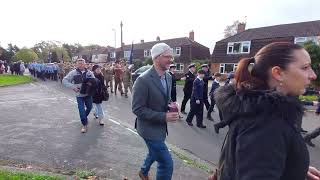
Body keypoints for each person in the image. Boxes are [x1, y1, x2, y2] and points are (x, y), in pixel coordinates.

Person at [209, 42, 320, 180]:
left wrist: (294, 167)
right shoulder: (266, 123)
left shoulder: (258, 110)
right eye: (305, 67)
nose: (313, 75)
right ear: (278, 73)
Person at [132, 43, 178, 180]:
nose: (171, 60)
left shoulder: (168, 76)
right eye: (167, 56)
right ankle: (144, 172)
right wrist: (164, 116)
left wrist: (172, 104)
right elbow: (137, 109)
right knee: (166, 163)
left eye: (171, 56)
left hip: (161, 128)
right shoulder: (143, 80)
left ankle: (143, 171)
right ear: (157, 57)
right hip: (148, 130)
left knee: (154, 153)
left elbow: (166, 98)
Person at [63, 58, 95, 133]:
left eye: (82, 63)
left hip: (88, 94)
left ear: (85, 64)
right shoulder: (73, 73)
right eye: (79, 63)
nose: (81, 65)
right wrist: (73, 87)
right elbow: (64, 80)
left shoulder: (89, 73)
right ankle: (84, 124)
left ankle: (84, 117)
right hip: (79, 95)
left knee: (90, 107)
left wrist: (92, 84)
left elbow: (94, 81)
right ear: (76, 64)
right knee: (81, 110)